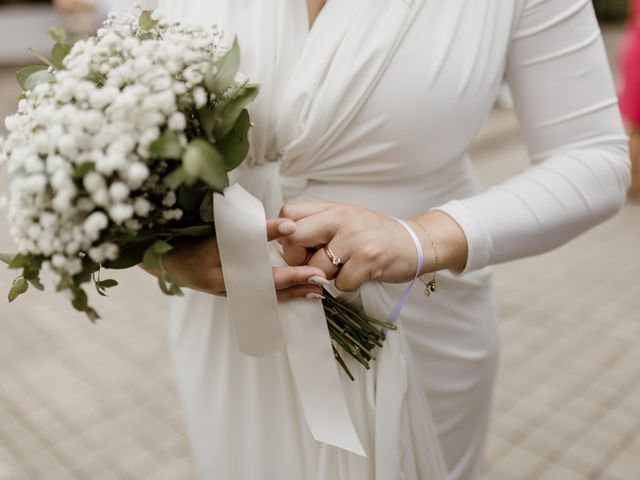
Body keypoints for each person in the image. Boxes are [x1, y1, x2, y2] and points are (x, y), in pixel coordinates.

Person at [143, 1, 631, 479]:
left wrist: (420, 237)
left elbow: (595, 157)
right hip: (228, 323)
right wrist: (159, 253)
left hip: (413, 320)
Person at [620, 0, 640, 196]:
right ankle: (632, 181)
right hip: (638, 58)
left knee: (635, 127)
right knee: (635, 127)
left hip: (633, 49)